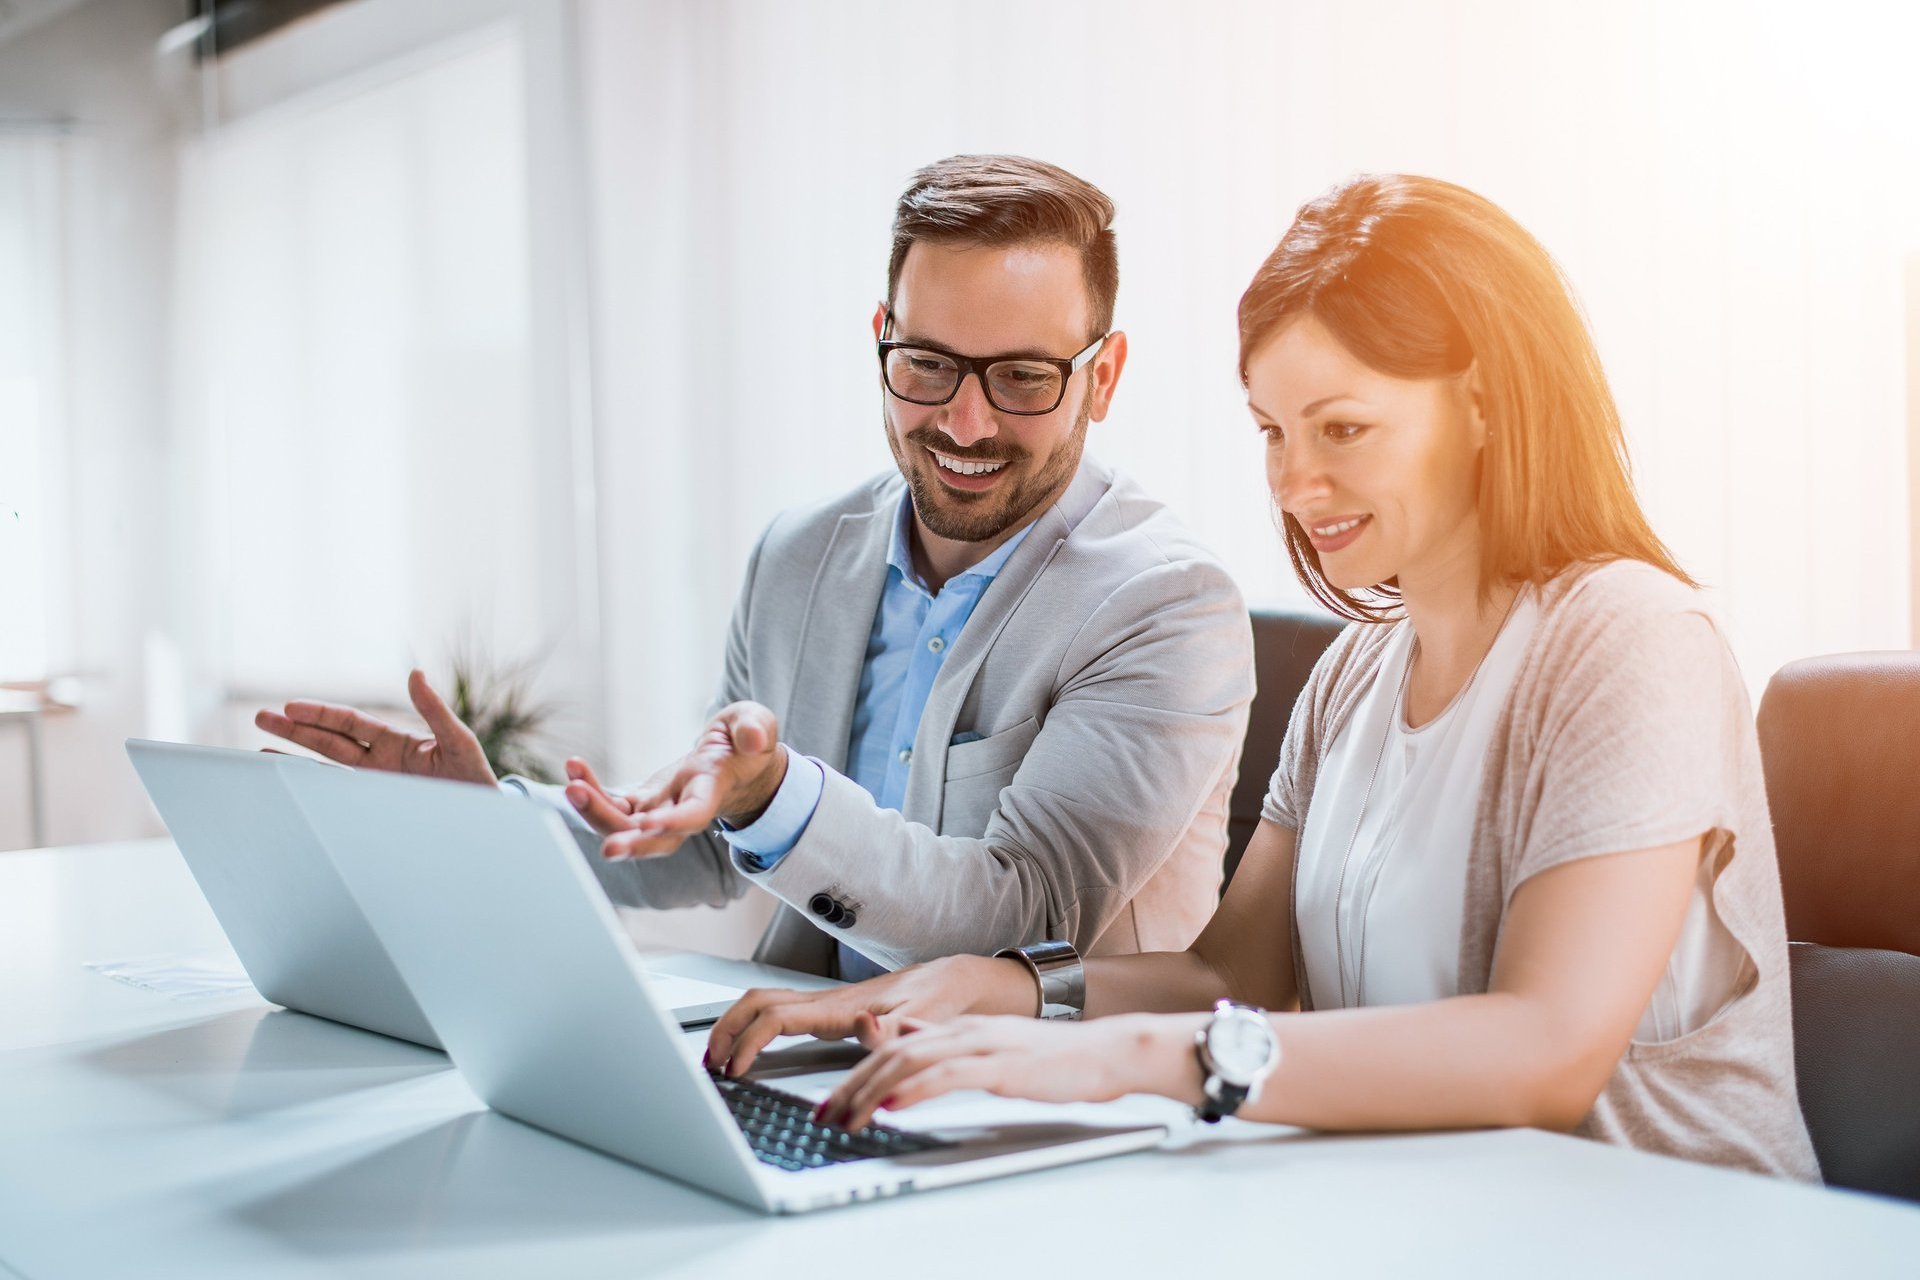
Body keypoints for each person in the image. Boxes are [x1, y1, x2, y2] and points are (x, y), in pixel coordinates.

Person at [702, 173, 1821, 1180]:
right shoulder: (1353, 679)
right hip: (1433, 1220)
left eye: (1343, 427)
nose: (1296, 482)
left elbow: (1544, 1049)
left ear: (1484, 404)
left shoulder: (1630, 638)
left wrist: (1129, 1057)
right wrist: (994, 992)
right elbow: (1229, 973)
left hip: (1664, 1232)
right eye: (1273, 430)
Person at [256, 154, 1254, 981]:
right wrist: (492, 824)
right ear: (881, 342)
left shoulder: (1166, 605)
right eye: (927, 364)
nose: (965, 420)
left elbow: (1028, 919)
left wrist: (775, 793)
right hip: (816, 1054)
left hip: (1047, 1108)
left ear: (1104, 376)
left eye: (1025, 377)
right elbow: (710, 834)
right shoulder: (798, 553)